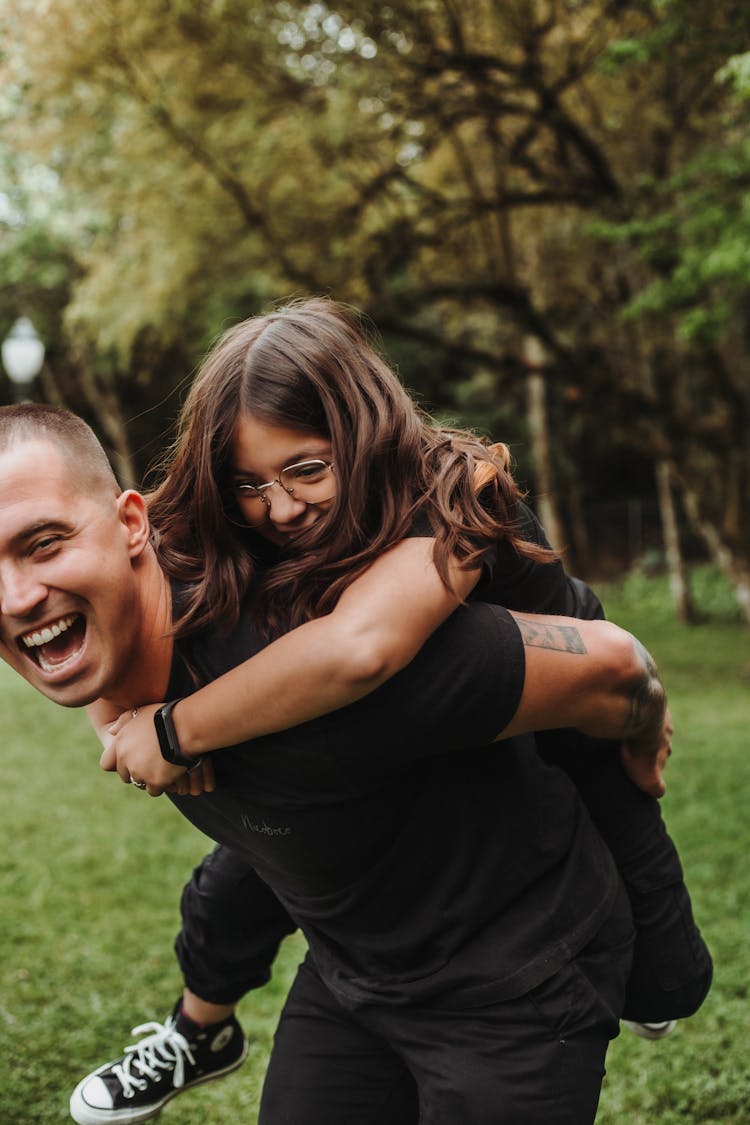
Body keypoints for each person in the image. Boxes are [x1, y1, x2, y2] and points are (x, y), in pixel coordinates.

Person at [1, 403, 672, 1124]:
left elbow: (613, 663)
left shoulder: (330, 659)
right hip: (356, 968)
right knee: (232, 888)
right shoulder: (120, 639)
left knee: (675, 979)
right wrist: (149, 721)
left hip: (517, 977)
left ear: (129, 525)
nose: (15, 597)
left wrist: (646, 716)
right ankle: (199, 1031)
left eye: (43, 544)